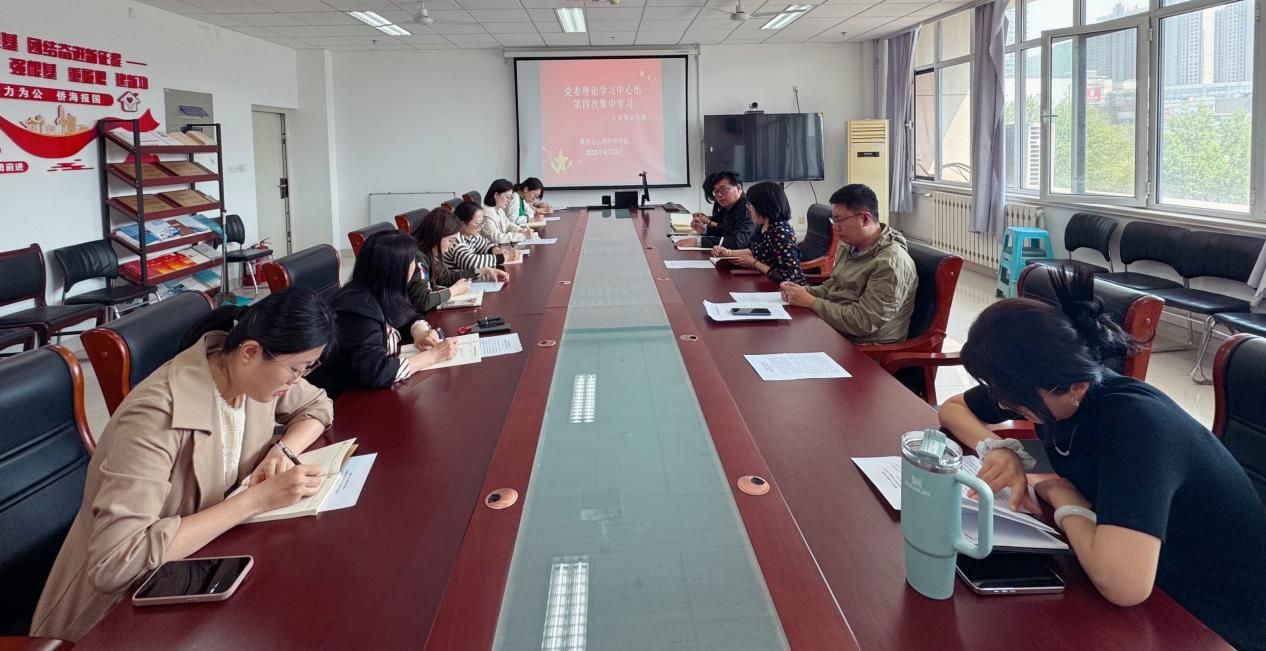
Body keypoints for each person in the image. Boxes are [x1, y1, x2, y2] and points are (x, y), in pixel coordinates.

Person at [938, 266, 1266, 650]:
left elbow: (1123, 585)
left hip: (1213, 618)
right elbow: (953, 408)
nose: (1004, 405)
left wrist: (1063, 497)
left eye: (1014, 400)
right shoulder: (1047, 385)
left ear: (1075, 388)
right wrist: (997, 448)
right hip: (1138, 565)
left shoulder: (1136, 425)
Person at [31, 289, 338, 641]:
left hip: (198, 570)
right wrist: (255, 500)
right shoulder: (155, 415)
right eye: (295, 370)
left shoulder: (250, 375)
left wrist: (281, 450)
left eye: (306, 370)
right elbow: (117, 562)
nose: (297, 381)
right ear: (250, 352)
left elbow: (318, 407)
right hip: (112, 617)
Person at [308, 230, 455, 398]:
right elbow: (376, 372)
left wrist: (420, 332)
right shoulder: (358, 310)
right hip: (346, 398)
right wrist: (432, 356)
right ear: (396, 270)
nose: (415, 266)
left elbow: (409, 315)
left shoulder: (384, 291)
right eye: (412, 261)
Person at [779, 183, 916, 344]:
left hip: (865, 347)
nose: (835, 228)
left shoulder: (891, 263)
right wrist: (802, 292)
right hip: (836, 331)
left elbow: (863, 321)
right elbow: (832, 286)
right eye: (833, 220)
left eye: (839, 220)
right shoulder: (850, 245)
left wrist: (811, 301)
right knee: (779, 333)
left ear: (865, 219)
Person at [710, 181, 806, 285]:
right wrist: (728, 253)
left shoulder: (781, 233)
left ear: (762, 206)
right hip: (763, 283)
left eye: (750, 204)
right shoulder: (763, 226)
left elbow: (788, 278)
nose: (748, 208)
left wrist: (753, 263)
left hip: (785, 289)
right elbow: (755, 251)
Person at [407, 208, 474, 312]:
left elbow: (447, 278)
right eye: (450, 241)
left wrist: (480, 272)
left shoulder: (430, 253)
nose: (452, 246)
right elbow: (422, 301)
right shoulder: (418, 257)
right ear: (436, 236)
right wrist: (455, 290)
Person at [679, 170, 754, 249]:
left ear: (739, 188)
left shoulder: (748, 208)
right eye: (716, 191)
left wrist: (698, 242)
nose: (719, 195)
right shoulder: (728, 206)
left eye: (723, 190)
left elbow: (737, 242)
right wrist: (704, 229)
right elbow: (726, 231)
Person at [446, 200, 522, 273]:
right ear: (462, 223)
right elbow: (470, 262)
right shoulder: (454, 239)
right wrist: (503, 257)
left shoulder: (470, 235)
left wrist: (494, 249)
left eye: (482, 223)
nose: (480, 227)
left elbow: (486, 244)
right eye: (477, 224)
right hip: (455, 280)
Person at [481, 178, 538, 244]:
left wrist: (523, 231)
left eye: (510, 198)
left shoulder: (499, 210)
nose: (509, 201)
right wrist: (523, 236)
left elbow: (509, 225)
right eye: (507, 197)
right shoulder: (486, 214)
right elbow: (497, 238)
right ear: (496, 195)